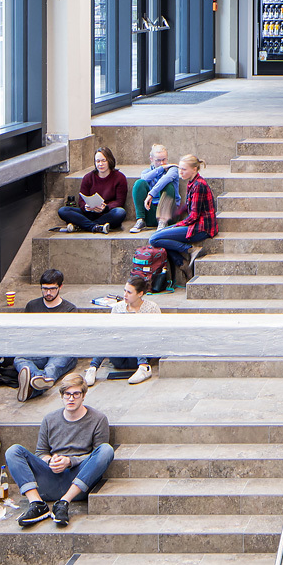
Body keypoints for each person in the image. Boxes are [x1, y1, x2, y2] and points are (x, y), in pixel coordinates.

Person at [2, 371, 114, 528]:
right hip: (50, 476)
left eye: (76, 394)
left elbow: (97, 455)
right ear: (61, 396)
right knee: (13, 451)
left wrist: (70, 461)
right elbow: (41, 453)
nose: (71, 398)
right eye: (67, 394)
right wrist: (51, 461)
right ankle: (37, 504)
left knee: (106, 450)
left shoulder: (98, 419)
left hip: (78, 479)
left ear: (83, 395)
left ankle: (64, 502)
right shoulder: (49, 419)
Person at [13, 269, 79, 402]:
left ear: (60, 287)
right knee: (19, 359)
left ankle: (32, 388)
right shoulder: (32, 305)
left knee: (53, 367)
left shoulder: (70, 309)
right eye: (45, 289)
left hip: (61, 351)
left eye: (52, 289)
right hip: (38, 349)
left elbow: (72, 338)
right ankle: (39, 379)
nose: (48, 293)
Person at [149, 154, 215, 283]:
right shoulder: (192, 182)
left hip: (202, 228)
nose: (180, 172)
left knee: (154, 239)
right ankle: (183, 264)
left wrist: (176, 225)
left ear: (194, 169)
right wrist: (173, 213)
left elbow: (194, 216)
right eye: (180, 168)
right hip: (196, 225)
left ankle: (190, 250)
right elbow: (189, 205)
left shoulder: (199, 185)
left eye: (184, 169)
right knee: (161, 237)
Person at [85, 279, 162, 386]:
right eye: (124, 291)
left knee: (136, 331)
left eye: (129, 292)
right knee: (106, 335)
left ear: (140, 294)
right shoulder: (118, 307)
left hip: (142, 351)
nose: (125, 295)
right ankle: (92, 368)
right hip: (120, 353)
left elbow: (158, 333)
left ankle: (144, 367)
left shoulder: (151, 308)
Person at [57, 147, 128, 234]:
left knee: (120, 212)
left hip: (107, 213)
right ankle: (96, 227)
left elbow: (120, 201)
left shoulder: (119, 177)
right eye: (98, 161)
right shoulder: (88, 177)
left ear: (110, 161)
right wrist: (86, 207)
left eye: (103, 161)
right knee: (63, 210)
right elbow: (81, 201)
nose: (100, 164)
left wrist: (105, 207)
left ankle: (82, 225)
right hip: (89, 213)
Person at [129, 143, 180, 233]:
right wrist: (161, 169)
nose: (162, 163)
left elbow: (165, 179)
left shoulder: (173, 169)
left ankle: (163, 222)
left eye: (164, 160)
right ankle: (140, 220)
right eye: (158, 160)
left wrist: (151, 194)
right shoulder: (146, 172)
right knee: (139, 183)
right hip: (151, 211)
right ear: (151, 159)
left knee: (168, 185)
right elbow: (144, 178)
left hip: (169, 213)